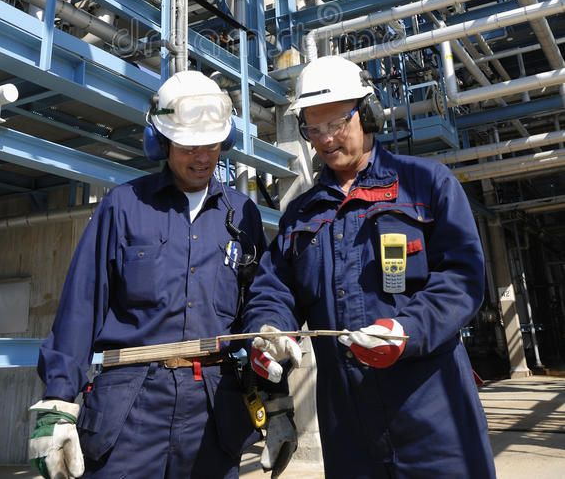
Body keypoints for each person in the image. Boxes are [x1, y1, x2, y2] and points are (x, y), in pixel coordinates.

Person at [243, 55, 496, 479]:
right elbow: (276, 288)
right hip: (349, 427)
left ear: (368, 114)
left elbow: (462, 280)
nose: (324, 140)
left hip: (435, 416)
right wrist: (270, 328)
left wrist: (407, 329)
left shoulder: (426, 185)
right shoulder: (301, 215)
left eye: (337, 124)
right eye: (313, 128)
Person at [29, 70, 271, 479]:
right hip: (130, 408)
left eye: (211, 145)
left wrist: (277, 400)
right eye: (189, 146)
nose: (202, 157)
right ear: (161, 143)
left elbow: (262, 306)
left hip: (214, 407)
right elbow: (81, 307)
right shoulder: (123, 206)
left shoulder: (242, 214)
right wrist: (57, 403)